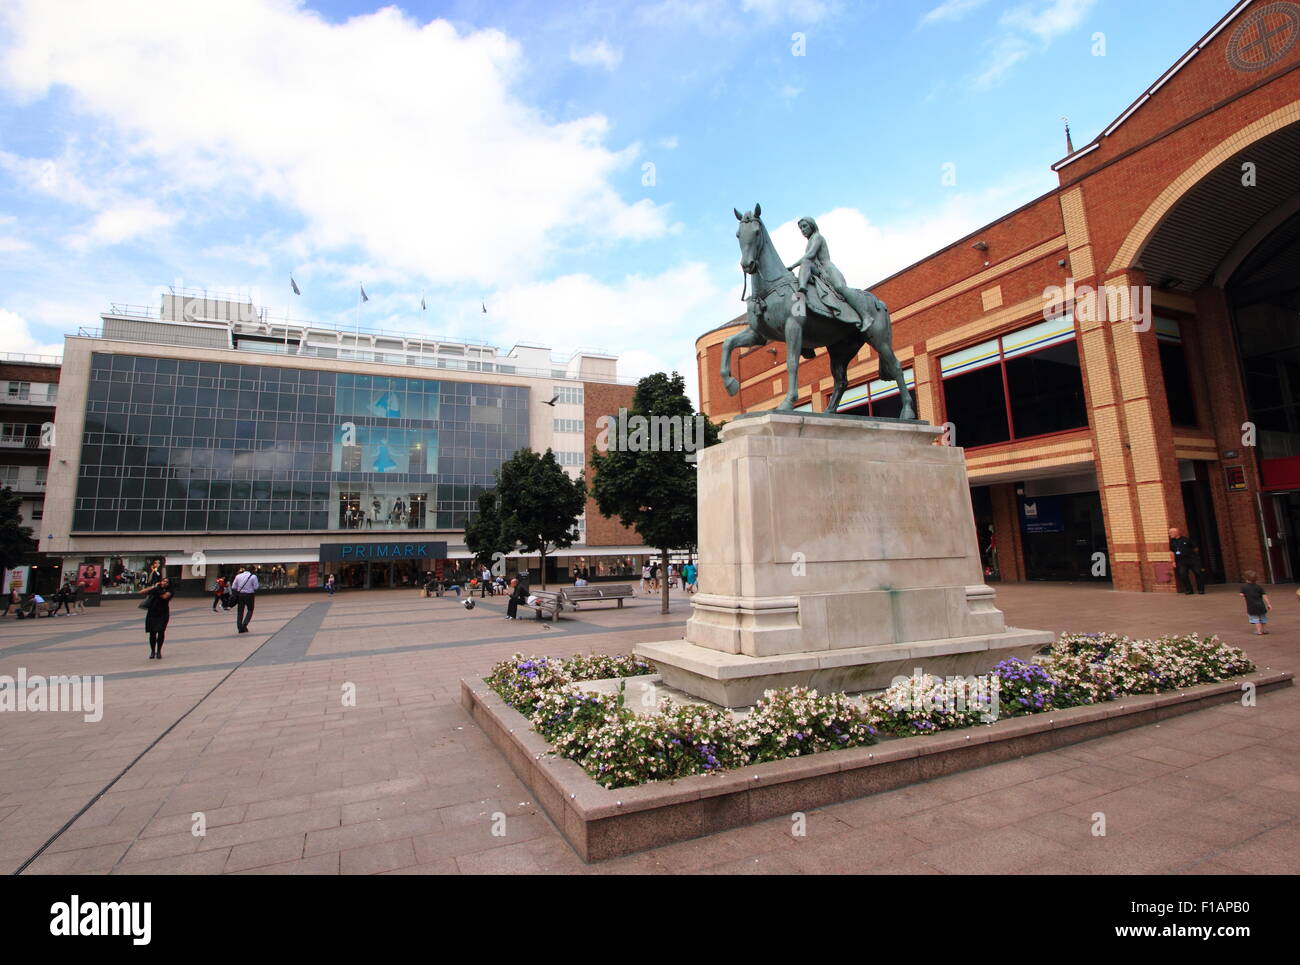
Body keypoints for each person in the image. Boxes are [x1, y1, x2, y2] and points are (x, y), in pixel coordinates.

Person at [141, 576, 173, 659]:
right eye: (163, 581)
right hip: (152, 612)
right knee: (152, 633)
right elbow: (142, 592)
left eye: (167, 582)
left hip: (163, 613)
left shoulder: (170, 590)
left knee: (161, 632)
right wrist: (153, 587)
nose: (164, 583)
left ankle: (159, 651)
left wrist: (156, 589)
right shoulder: (156, 588)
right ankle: (152, 651)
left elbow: (165, 597)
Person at [1168, 527, 1206, 595]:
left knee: (1198, 573)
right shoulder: (1172, 542)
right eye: (1169, 533)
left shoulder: (1186, 539)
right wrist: (1173, 562)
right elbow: (1172, 552)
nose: (1169, 534)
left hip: (1192, 560)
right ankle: (1189, 590)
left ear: (1176, 532)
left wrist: (1194, 556)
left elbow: (1195, 548)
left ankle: (1201, 589)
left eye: (1171, 533)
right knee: (1183, 575)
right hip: (1181, 561)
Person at [231, 565, 258, 634]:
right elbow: (256, 587)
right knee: (250, 610)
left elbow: (233, 586)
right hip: (249, 595)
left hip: (240, 595)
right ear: (252, 570)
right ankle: (244, 625)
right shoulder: (253, 576)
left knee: (240, 611)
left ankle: (239, 627)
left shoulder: (238, 576)